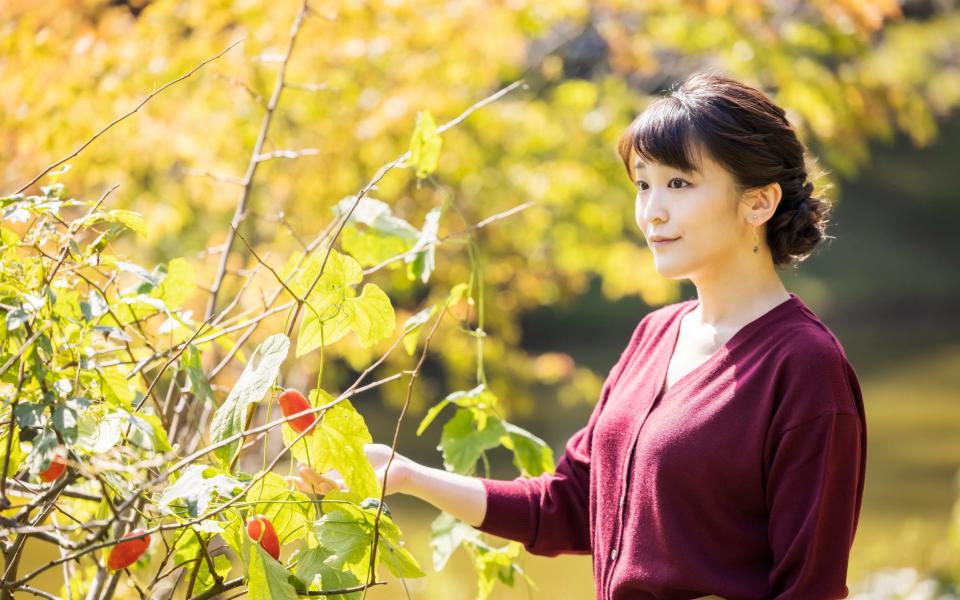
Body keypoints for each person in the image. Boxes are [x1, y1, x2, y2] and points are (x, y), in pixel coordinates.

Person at [291, 71, 867, 600]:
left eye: (679, 183)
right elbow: (569, 505)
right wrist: (406, 475)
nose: (652, 213)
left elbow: (809, 589)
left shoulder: (805, 368)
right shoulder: (655, 334)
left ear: (759, 201)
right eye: (643, 185)